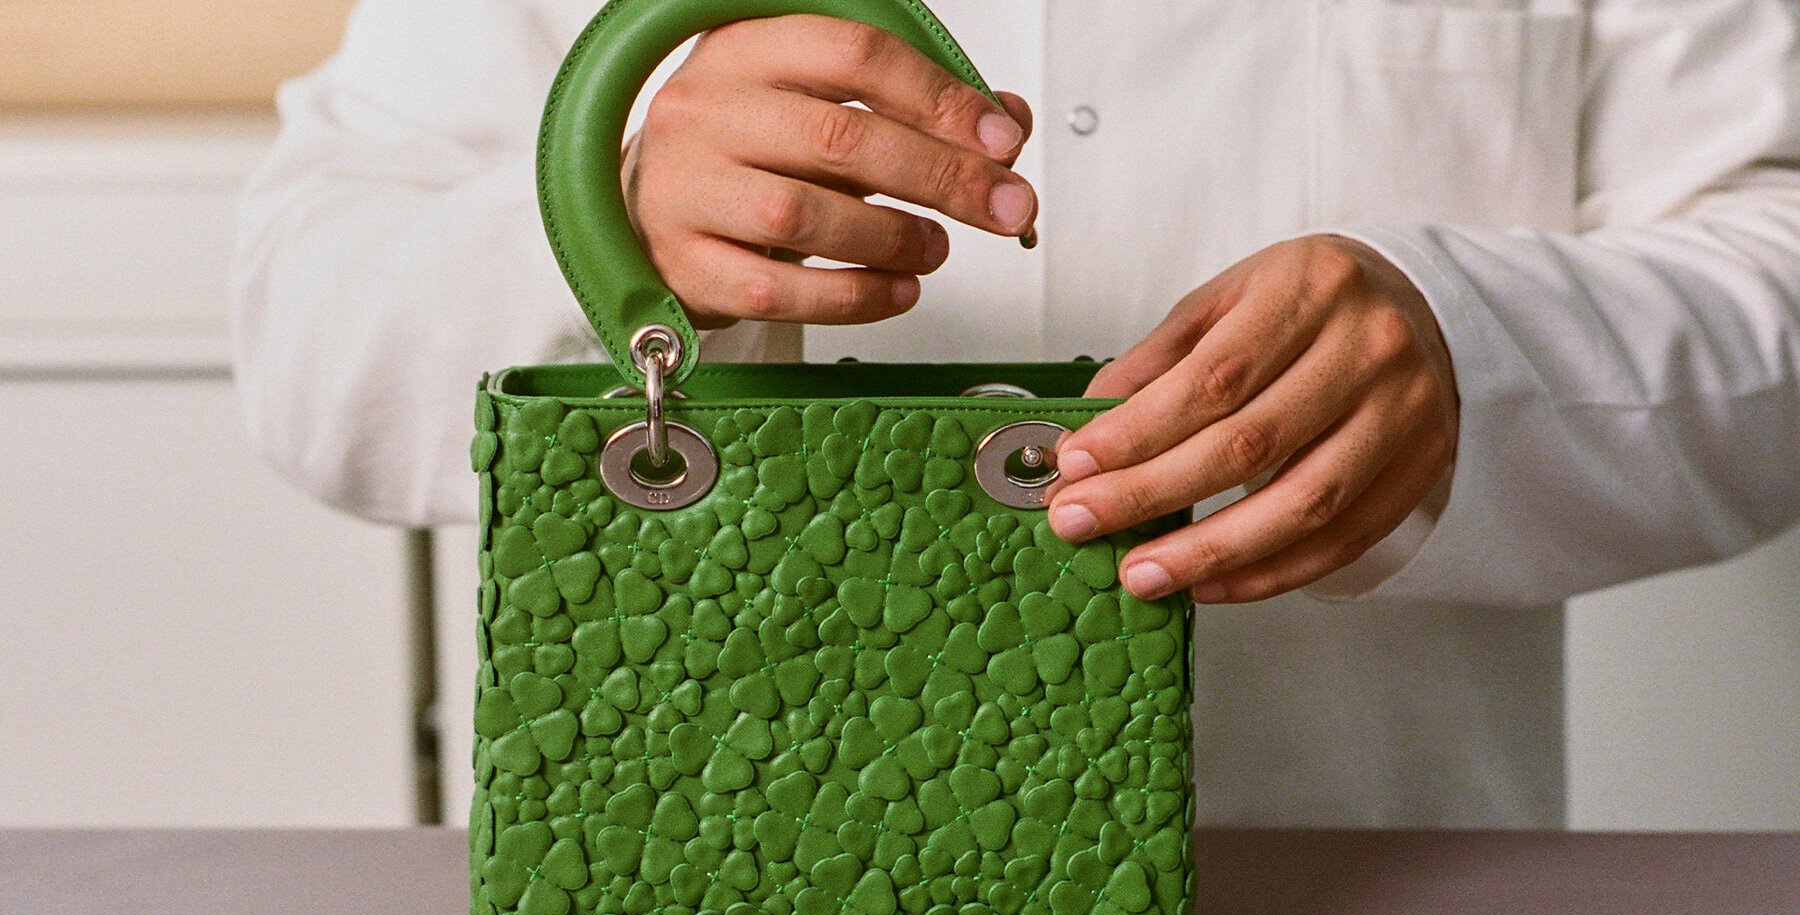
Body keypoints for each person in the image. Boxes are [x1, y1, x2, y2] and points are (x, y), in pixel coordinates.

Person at [232, 0, 1800, 829]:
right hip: (693, 905)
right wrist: (613, 232)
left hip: (1387, 910)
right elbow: (310, 338)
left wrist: (1478, 351)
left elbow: (1772, 273)